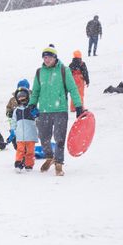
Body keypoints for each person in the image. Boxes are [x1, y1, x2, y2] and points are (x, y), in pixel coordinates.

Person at [29, 45, 84, 176]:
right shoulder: (39, 72)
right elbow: (35, 91)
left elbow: (73, 89)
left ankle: (58, 163)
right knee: (44, 137)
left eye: (49, 57)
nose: (46, 60)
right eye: (44, 57)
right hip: (44, 110)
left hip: (60, 109)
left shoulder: (64, 70)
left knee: (59, 138)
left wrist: (78, 106)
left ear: (55, 57)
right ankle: (49, 157)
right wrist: (32, 104)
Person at [8, 82, 39, 171]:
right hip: (20, 135)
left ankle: (29, 165)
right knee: (20, 150)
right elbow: (13, 121)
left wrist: (36, 114)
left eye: (23, 96)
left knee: (30, 151)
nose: (21, 98)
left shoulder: (31, 108)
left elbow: (38, 118)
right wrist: (12, 131)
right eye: (19, 96)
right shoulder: (16, 110)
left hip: (31, 135)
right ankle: (18, 164)